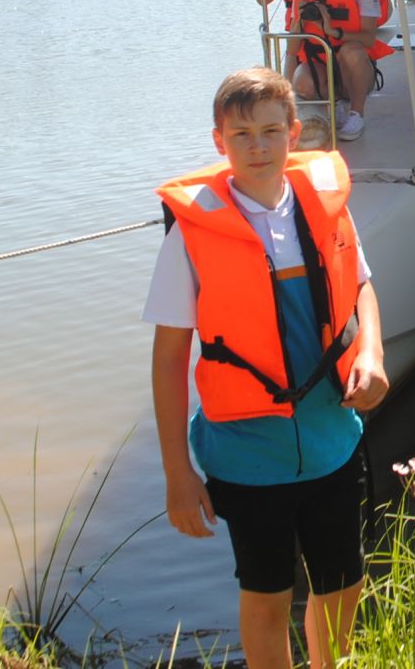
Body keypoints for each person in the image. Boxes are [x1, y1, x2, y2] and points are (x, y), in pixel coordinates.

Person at [145, 67, 389, 669]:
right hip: (247, 455)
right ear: (219, 142)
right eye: (242, 135)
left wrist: (374, 355)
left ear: (294, 134)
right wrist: (179, 472)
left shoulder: (324, 208)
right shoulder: (193, 237)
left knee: (342, 587)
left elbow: (361, 287)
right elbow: (170, 356)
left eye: (270, 132)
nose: (257, 147)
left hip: (333, 440)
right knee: (267, 597)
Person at [290, 0, 392, 141]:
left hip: (354, 66)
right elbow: (292, 50)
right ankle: (336, 103)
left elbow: (369, 38)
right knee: (301, 83)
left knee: (351, 51)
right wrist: (298, 20)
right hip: (323, 66)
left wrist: (333, 30)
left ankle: (356, 113)